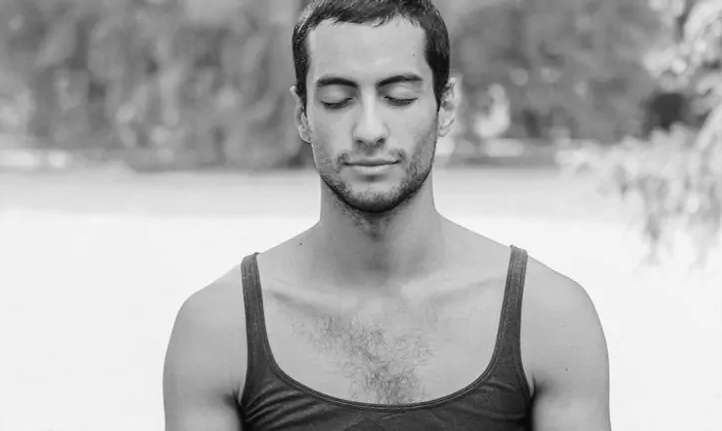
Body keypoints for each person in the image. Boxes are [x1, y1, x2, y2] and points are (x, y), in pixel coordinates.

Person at [162, 0, 611, 429]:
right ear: (302, 114)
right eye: (337, 100)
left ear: (446, 106)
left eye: (398, 97)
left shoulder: (549, 320)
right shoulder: (218, 332)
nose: (369, 131)